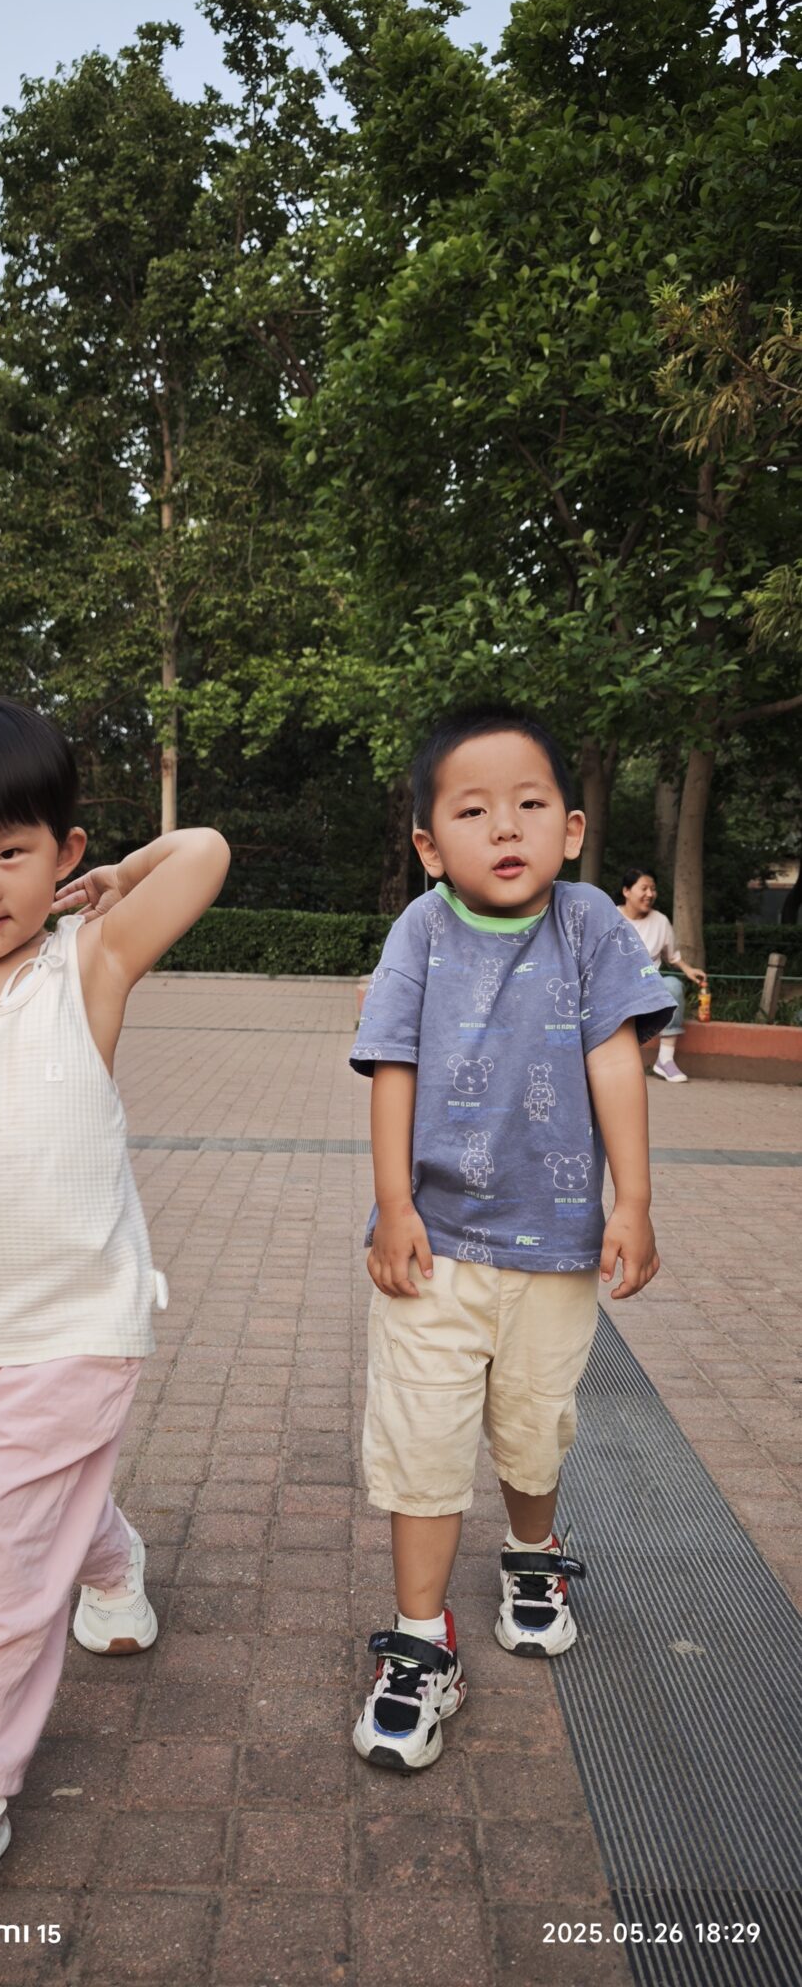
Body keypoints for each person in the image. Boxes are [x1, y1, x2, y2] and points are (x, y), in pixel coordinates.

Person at [0, 697, 229, 1912]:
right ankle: (112, 1565)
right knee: (28, 1504)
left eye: (10, 850)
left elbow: (205, 851)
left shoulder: (88, 963)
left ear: (63, 852)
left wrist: (121, 874)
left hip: (78, 1325)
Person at [349, 705, 674, 1772]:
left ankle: (533, 1552)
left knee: (535, 1424)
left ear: (570, 829)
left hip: (557, 1248)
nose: (505, 827)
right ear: (430, 844)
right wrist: (394, 1205)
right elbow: (392, 1062)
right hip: (434, 1242)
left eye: (529, 804)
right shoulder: (420, 930)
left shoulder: (591, 927)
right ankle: (420, 1637)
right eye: (472, 810)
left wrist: (633, 1200)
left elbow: (616, 1060)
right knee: (422, 1438)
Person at [617, 867, 707, 1083]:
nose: (650, 894)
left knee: (673, 985)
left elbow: (672, 956)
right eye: (644, 888)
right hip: (615, 984)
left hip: (649, 984)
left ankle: (665, 1060)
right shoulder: (610, 916)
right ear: (626, 891)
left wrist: (688, 969)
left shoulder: (660, 921)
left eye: (653, 889)